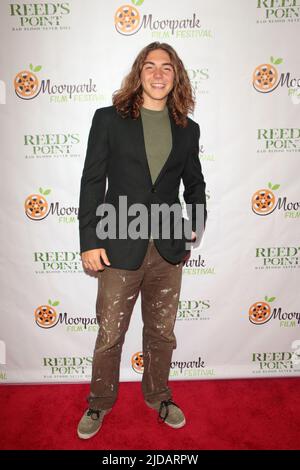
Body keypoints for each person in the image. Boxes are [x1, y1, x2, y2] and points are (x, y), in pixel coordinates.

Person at [77, 42, 207, 439]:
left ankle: (158, 395)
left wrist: (193, 227)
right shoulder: (108, 120)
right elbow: (93, 181)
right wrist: (89, 240)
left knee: (162, 332)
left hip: (167, 249)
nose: (157, 74)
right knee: (111, 333)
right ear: (139, 73)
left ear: (176, 76)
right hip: (118, 245)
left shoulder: (187, 128)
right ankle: (99, 403)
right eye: (149, 66)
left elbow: (195, 184)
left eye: (166, 68)